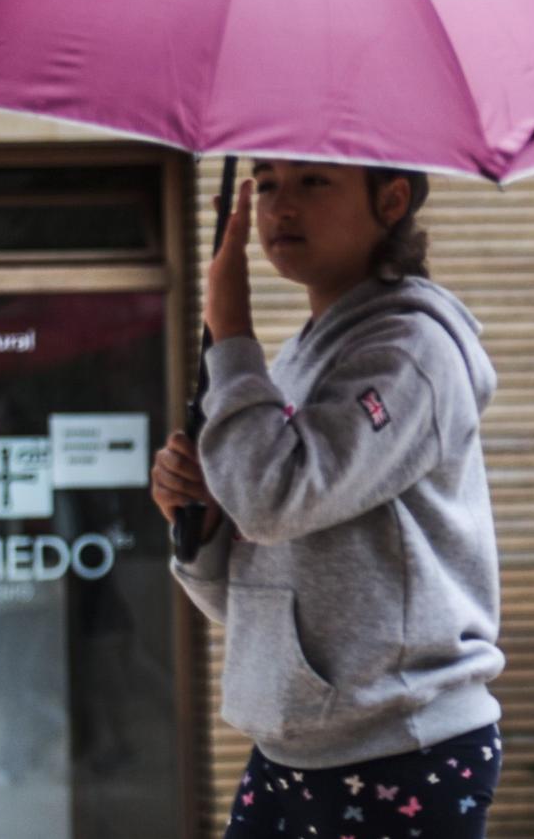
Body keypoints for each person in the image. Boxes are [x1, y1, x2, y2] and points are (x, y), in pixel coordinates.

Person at [149, 161, 505, 838]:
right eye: (268, 181)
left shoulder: (413, 351)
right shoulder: (300, 359)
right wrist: (203, 519)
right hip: (296, 747)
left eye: (313, 181)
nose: (281, 207)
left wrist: (229, 336)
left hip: (400, 747)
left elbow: (274, 500)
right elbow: (260, 589)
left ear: (391, 199)